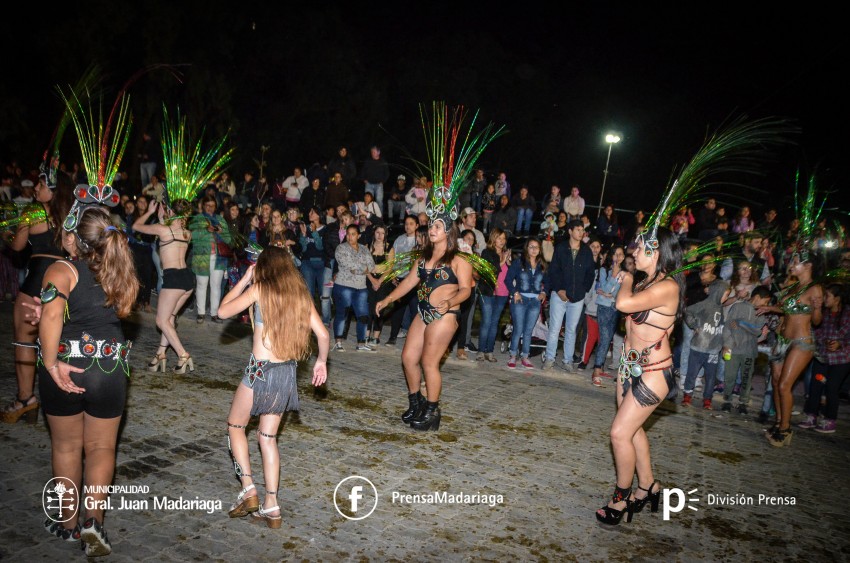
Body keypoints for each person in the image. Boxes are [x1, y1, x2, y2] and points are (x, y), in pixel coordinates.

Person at [36, 204, 138, 555]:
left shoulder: (61, 268)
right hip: (108, 369)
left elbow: (52, 316)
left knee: (66, 447)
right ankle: (94, 522)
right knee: (101, 448)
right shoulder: (118, 269)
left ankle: (67, 524)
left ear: (72, 237)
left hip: (67, 365)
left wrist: (51, 364)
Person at [219, 246, 328, 529]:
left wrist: (244, 279)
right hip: (286, 375)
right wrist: (322, 362)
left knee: (235, 427)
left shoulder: (261, 290)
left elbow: (222, 311)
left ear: (264, 267)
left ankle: (248, 489)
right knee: (267, 438)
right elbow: (323, 334)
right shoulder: (301, 295)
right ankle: (272, 505)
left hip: (259, 373)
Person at [596, 226, 682, 525]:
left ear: (656, 251)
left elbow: (623, 304)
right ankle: (648, 486)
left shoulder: (668, 286)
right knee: (632, 430)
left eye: (640, 246)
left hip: (654, 373)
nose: (633, 250)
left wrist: (628, 278)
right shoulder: (650, 282)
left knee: (619, 433)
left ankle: (620, 498)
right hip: (628, 367)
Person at [376, 219, 473, 430]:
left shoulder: (459, 260)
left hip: (445, 315)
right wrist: (388, 299)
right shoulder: (423, 257)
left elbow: (466, 289)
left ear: (448, 232)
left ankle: (432, 411)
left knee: (429, 363)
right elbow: (410, 282)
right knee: (408, 358)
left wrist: (450, 302)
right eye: (431, 227)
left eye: (437, 227)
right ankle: (416, 402)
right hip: (423, 312)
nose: (431, 230)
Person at [1, 173, 74, 423]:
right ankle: (64, 395)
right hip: (64, 279)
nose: (36, 189)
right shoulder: (72, 215)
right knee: (59, 338)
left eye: (41, 185)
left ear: (52, 190)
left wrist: (5, 232)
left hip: (37, 278)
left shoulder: (33, 212)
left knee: (24, 340)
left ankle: (25, 399)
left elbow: (18, 245)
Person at [761, 251, 823, 446]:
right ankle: (779, 422)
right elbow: (786, 309)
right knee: (777, 381)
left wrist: (818, 308)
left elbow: (817, 321)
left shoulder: (815, 289)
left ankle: (786, 429)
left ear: (808, 266)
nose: (791, 265)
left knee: (784, 385)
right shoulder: (795, 286)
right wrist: (771, 309)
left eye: (795, 262)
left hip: (801, 342)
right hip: (782, 341)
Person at [133, 199, 196, 372]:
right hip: (187, 280)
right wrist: (163, 218)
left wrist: (150, 212)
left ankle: (183, 355)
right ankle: (160, 354)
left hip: (173, 279)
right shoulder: (187, 233)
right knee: (169, 319)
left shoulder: (163, 230)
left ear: (171, 211)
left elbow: (136, 226)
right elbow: (171, 237)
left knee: (161, 320)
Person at [542, 220, 596, 371]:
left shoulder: (586, 251)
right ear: (570, 231)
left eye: (582, 230)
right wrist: (559, 290)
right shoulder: (560, 248)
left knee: (571, 330)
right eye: (578, 229)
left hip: (577, 298)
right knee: (554, 328)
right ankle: (549, 359)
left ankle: (567, 361)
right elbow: (553, 271)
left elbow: (590, 274)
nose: (581, 232)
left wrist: (581, 290)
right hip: (558, 296)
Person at [798, 283, 849, 433]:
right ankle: (811, 416)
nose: (824, 299)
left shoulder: (847, 314)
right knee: (816, 385)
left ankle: (829, 419)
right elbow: (815, 329)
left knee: (832, 387)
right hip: (823, 356)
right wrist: (823, 341)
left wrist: (841, 344)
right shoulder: (823, 313)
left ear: (837, 299)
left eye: (827, 296)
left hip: (842, 358)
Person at [720, 285, 771, 414]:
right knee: (729, 376)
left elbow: (757, 333)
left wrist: (761, 334)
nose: (766, 305)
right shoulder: (738, 307)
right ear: (758, 297)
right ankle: (727, 401)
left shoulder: (761, 313)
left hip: (749, 351)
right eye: (765, 301)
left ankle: (743, 402)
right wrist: (727, 344)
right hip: (733, 349)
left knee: (746, 377)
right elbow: (728, 327)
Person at [681, 279, 728, 409]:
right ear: (718, 292)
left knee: (711, 377)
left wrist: (724, 344)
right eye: (726, 294)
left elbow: (720, 327)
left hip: (713, 350)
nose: (726, 298)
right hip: (698, 347)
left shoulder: (720, 308)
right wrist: (694, 324)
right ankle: (687, 396)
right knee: (692, 373)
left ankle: (707, 399)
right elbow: (687, 311)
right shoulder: (704, 304)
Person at [189, 195, 233, 324]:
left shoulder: (220, 219)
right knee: (201, 285)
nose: (210, 208)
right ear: (203, 206)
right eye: (207, 205)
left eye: (212, 206)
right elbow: (192, 237)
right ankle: (201, 313)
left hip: (218, 257)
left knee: (216, 286)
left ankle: (214, 314)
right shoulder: (197, 219)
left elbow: (228, 239)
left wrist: (220, 232)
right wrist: (205, 230)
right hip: (201, 257)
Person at [333, 224, 376, 351]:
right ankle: (338, 342)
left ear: (359, 235)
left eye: (353, 234)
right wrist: (364, 268)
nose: (350, 237)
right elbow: (349, 266)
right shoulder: (341, 248)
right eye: (348, 234)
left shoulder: (364, 249)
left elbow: (372, 265)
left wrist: (362, 268)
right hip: (344, 285)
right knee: (342, 314)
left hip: (361, 287)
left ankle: (361, 344)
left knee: (363, 315)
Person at [505, 238, 546, 369]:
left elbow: (549, 281)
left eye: (536, 247)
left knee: (528, 331)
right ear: (526, 248)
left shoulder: (543, 265)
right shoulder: (519, 263)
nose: (534, 250)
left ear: (540, 250)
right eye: (531, 247)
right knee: (518, 328)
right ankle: (512, 355)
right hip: (520, 299)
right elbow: (508, 279)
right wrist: (514, 292)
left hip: (534, 301)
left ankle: (525, 356)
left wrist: (544, 293)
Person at [592, 245, 626, 386]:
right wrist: (614, 275)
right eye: (615, 254)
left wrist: (609, 294)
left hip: (616, 308)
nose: (617, 257)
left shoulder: (625, 274)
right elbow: (604, 288)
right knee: (605, 338)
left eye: (620, 254)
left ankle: (600, 366)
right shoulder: (604, 270)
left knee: (608, 339)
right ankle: (597, 370)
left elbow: (619, 293)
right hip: (604, 308)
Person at [477, 228, 511, 362]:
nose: (502, 241)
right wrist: (503, 262)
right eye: (499, 238)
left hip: (502, 292)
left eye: (504, 238)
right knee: (486, 320)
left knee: (494, 322)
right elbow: (491, 270)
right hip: (487, 291)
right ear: (493, 238)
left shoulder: (506, 253)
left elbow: (509, 272)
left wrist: (509, 263)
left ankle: (489, 351)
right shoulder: (487, 252)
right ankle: (481, 350)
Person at [366, 224, 393, 346]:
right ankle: (366, 334)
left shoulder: (389, 248)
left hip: (383, 280)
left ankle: (376, 336)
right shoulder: (368, 247)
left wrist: (379, 281)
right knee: (369, 307)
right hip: (369, 278)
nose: (380, 235)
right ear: (374, 233)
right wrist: (372, 280)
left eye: (382, 233)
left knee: (379, 307)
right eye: (378, 232)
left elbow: (389, 268)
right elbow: (364, 266)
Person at [298, 207, 326, 306]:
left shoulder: (325, 229)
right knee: (309, 294)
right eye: (309, 211)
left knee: (324, 295)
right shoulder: (306, 227)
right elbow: (303, 249)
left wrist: (314, 232)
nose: (309, 213)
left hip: (321, 263)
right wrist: (303, 234)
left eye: (312, 212)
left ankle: (326, 320)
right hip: (307, 262)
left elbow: (320, 247)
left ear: (319, 215)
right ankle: (309, 319)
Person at [360, 145, 389, 211]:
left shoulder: (383, 161)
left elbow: (387, 173)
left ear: (378, 152)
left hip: (379, 184)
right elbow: (363, 171)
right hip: (369, 184)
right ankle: (368, 217)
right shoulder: (368, 160)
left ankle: (380, 218)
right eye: (371, 152)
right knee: (368, 201)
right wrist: (364, 179)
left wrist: (383, 181)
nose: (372, 153)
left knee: (379, 201)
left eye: (374, 152)